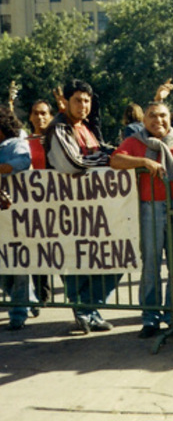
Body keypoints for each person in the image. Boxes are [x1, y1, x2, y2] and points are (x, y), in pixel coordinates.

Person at [110, 101, 173, 338]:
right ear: (144, 120)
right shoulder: (135, 142)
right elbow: (116, 161)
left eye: (162, 116)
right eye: (152, 116)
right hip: (149, 209)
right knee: (150, 265)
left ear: (170, 118)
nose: (158, 121)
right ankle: (150, 317)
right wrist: (143, 162)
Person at [44, 79, 118, 333]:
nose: (83, 105)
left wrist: (116, 155)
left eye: (87, 100)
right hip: (69, 207)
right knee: (78, 261)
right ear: (65, 102)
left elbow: (100, 152)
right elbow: (72, 164)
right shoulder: (59, 128)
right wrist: (108, 159)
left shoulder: (86, 127)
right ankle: (85, 311)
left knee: (115, 258)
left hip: (95, 206)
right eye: (77, 100)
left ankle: (90, 309)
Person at [0, 106, 32, 330]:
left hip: (16, 212)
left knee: (18, 264)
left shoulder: (14, 143)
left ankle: (19, 312)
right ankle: (29, 299)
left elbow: (23, 162)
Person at [27, 100, 54, 306]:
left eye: (44, 113)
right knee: (38, 248)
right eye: (36, 113)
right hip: (33, 203)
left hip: (60, 201)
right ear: (30, 117)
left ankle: (76, 297)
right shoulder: (24, 142)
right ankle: (42, 293)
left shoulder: (59, 139)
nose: (40, 117)